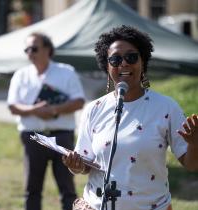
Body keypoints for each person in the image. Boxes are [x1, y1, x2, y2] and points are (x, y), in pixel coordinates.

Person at [62, 25, 198, 210]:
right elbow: (86, 164)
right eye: (115, 59)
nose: (123, 64)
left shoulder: (166, 107)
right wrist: (75, 166)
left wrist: (194, 144)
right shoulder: (94, 109)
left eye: (131, 57)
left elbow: (191, 164)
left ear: (143, 62)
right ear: (107, 66)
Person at [7, 32, 85, 210]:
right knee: (32, 188)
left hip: (62, 136)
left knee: (67, 188)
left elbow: (79, 101)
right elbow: (12, 106)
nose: (30, 52)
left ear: (48, 49)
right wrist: (35, 110)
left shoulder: (66, 71)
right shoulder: (20, 75)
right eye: (27, 49)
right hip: (33, 137)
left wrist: (54, 109)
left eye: (34, 48)